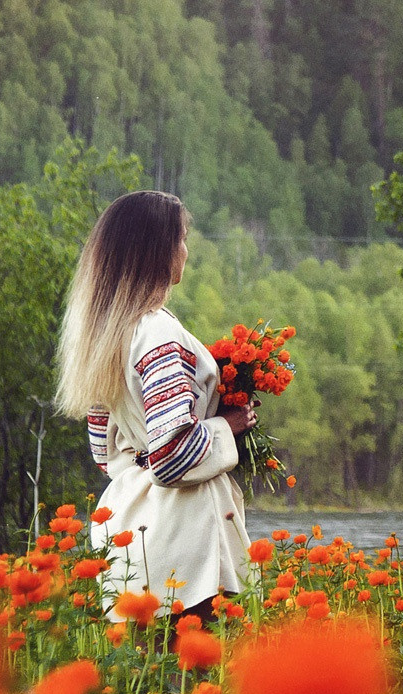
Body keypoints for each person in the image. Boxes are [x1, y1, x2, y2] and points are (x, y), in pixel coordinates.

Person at [52, 189, 256, 622]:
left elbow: (104, 453)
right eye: (181, 238)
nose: (186, 250)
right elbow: (171, 456)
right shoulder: (157, 333)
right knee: (190, 679)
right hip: (184, 534)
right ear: (159, 249)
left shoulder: (108, 335)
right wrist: (229, 425)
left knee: (150, 681)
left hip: (138, 527)